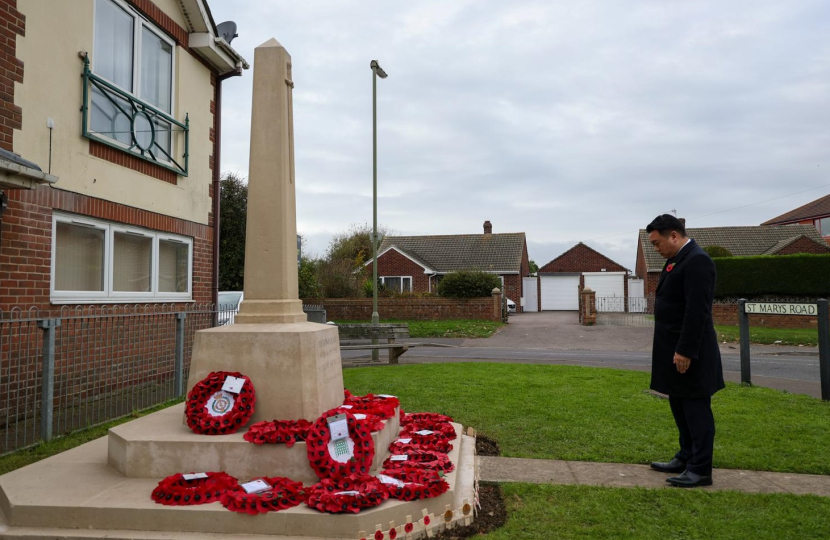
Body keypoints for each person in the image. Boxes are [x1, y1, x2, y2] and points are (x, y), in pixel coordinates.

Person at [646, 214, 724, 488]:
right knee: (679, 405)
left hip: (691, 353)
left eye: (657, 243)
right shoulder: (678, 260)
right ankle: (686, 456)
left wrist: (685, 351)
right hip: (673, 349)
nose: (656, 249)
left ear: (674, 236)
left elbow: (697, 310)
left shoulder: (697, 261)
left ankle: (700, 469)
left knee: (695, 409)